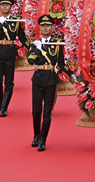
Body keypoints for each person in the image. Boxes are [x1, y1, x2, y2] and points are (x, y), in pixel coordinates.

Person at [28, 14, 67, 152]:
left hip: (51, 79)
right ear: (40, 28)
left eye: (48, 26)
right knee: (36, 110)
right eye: (43, 26)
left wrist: (73, 75)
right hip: (38, 79)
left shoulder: (57, 44)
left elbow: (61, 63)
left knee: (47, 111)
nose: (45, 28)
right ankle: (36, 135)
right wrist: (38, 48)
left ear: (52, 27)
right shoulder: (34, 44)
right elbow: (30, 60)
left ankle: (43, 139)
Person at [0, 0, 28, 116]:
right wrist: (0, 23)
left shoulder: (15, 21)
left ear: (11, 6)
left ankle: (5, 106)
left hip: (10, 53)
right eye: (3, 5)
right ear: (0, 7)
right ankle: (0, 99)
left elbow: (22, 38)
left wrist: (32, 48)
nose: (5, 6)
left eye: (7, 5)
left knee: (9, 82)